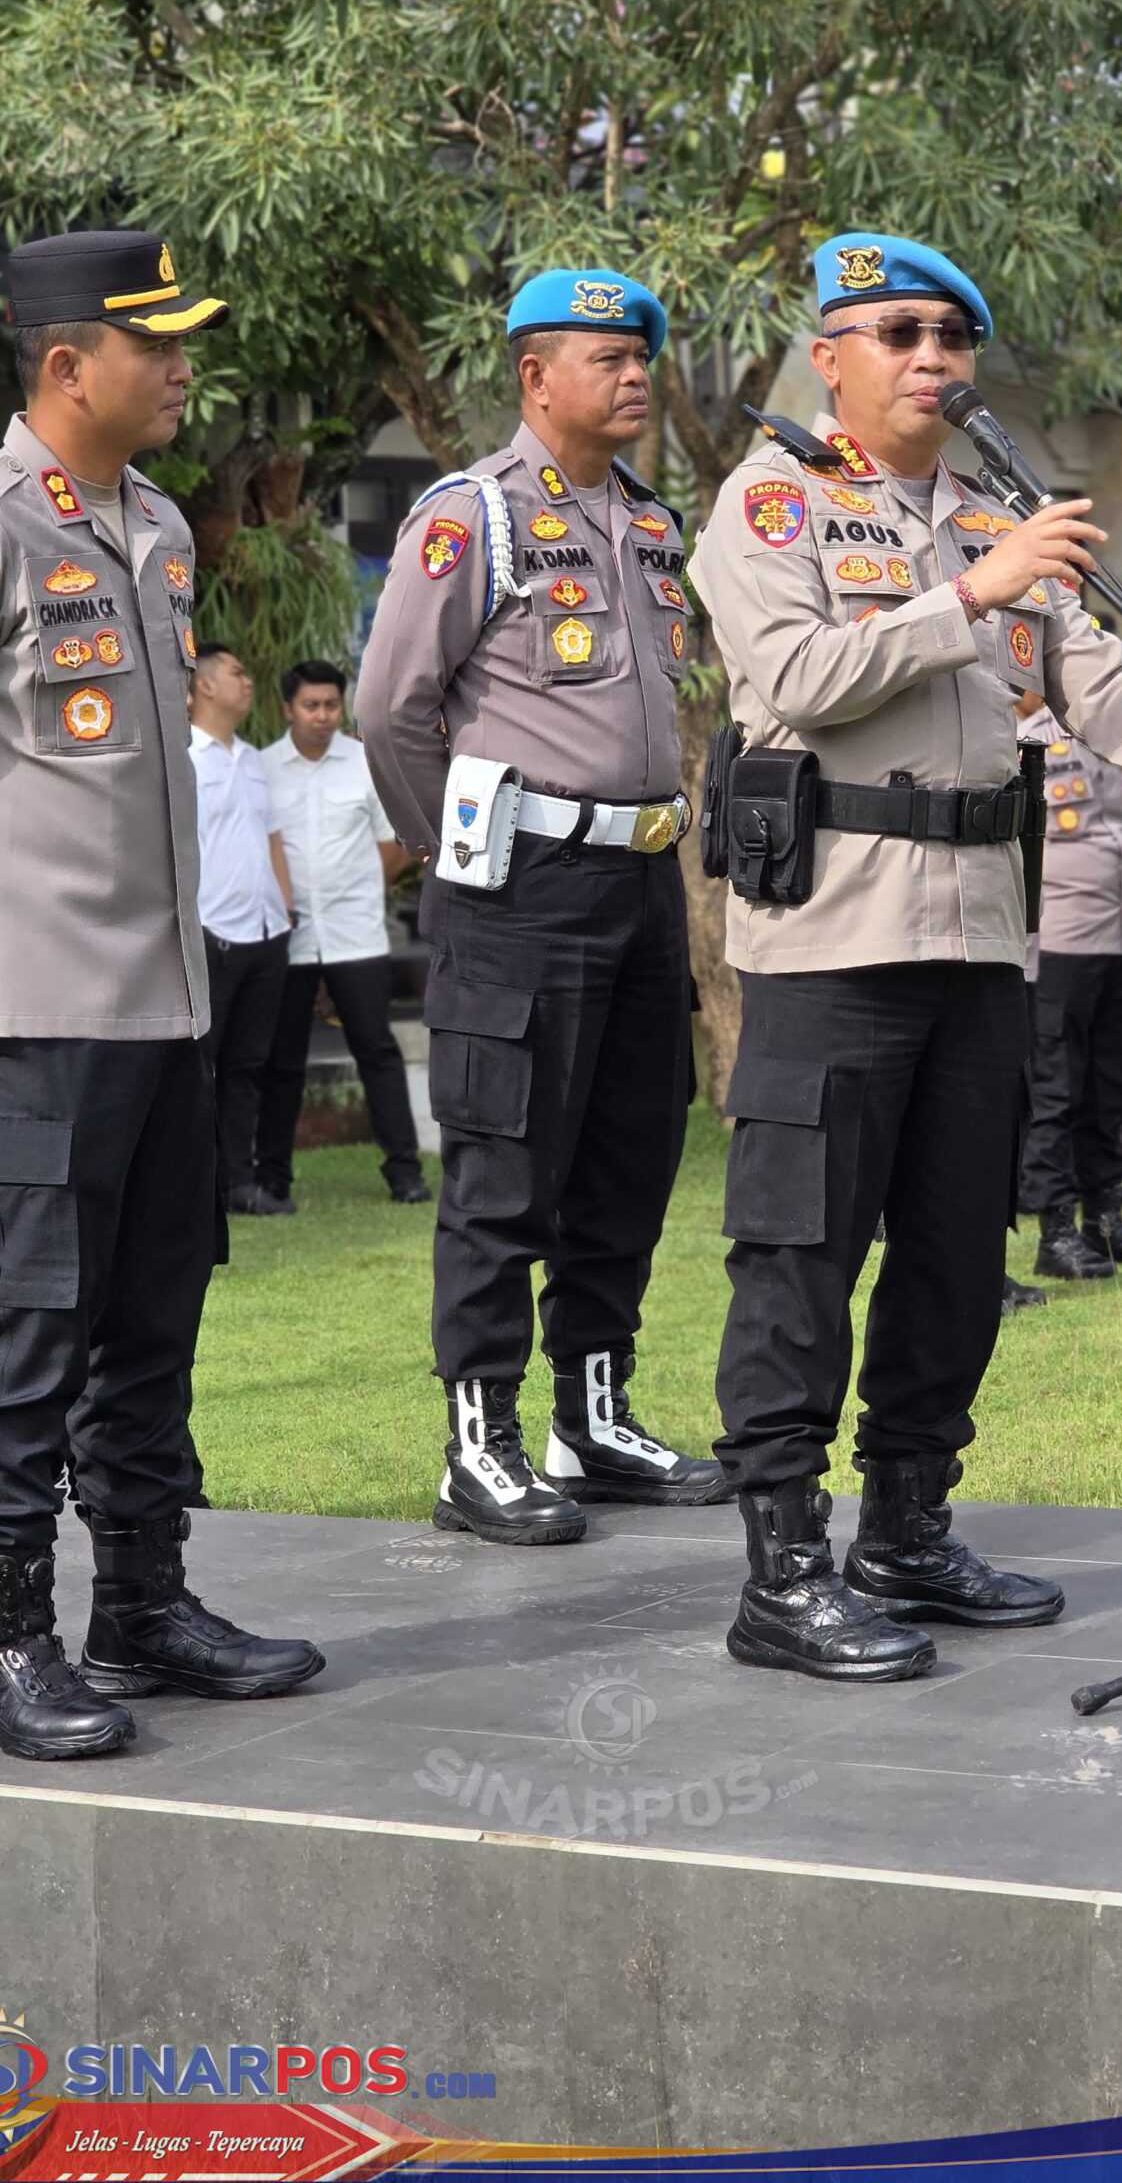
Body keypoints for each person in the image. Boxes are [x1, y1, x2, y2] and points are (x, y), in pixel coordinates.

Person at [687, 231, 1122, 1684]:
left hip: (980, 934)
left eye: (953, 339)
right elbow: (791, 680)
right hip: (831, 939)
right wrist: (966, 597)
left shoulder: (996, 512)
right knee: (800, 1253)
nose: (932, 361)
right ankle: (783, 1571)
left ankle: (907, 1531)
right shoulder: (773, 501)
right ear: (831, 354)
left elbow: (1098, 688)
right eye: (898, 333)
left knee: (959, 1254)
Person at [0, 229, 323, 1763]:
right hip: (30, 1009)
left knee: (154, 1318)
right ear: (68, 364)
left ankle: (141, 1605)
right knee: (30, 1333)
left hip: (166, 1007)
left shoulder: (151, 525)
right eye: (157, 345)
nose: (183, 368)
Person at [356, 268, 726, 1542]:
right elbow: (391, 708)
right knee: (504, 1164)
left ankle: (595, 1416)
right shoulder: (473, 514)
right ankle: (481, 1445)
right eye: (607, 356)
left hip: (641, 875)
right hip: (517, 879)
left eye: (642, 355)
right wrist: (450, 844)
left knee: (629, 1152)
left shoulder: (648, 522)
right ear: (534, 376)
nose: (635, 375)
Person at [1017, 689, 1122, 1277]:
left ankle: (1105, 1220)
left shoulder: (1120, 737)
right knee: (1056, 1092)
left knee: (1112, 1085)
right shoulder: (1026, 737)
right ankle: (1055, 1231)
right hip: (1058, 943)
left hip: (1121, 938)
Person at [255, 659, 428, 1211]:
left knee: (376, 1051)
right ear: (288, 709)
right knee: (282, 1062)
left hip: (357, 936)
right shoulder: (262, 769)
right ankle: (273, 1179)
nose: (323, 716)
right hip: (289, 937)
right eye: (312, 706)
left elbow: (395, 844)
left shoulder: (364, 763)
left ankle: (405, 1173)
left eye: (332, 705)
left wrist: (352, 887)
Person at [189, 643, 293, 1215]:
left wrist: (286, 908)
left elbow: (272, 838)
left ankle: (240, 1184)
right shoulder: (183, 757)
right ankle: (200, 1188)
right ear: (204, 685)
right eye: (236, 673)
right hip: (211, 935)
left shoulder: (252, 759)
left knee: (248, 1069)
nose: (248, 682)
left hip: (266, 933)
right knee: (202, 1068)